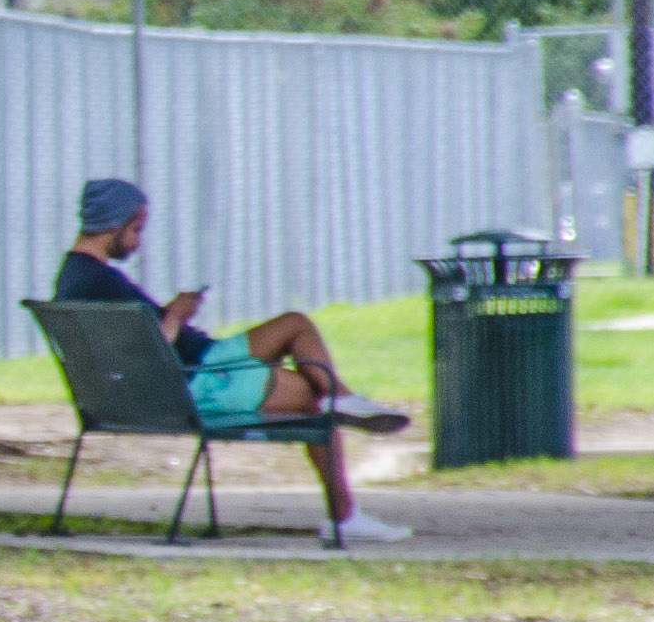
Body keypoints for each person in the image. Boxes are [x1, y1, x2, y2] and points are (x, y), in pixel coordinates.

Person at [54, 176, 411, 547]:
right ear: (114, 223)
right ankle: (343, 509)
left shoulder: (79, 276)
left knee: (295, 326)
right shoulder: (97, 283)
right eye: (135, 229)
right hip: (198, 381)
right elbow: (146, 356)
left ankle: (339, 402)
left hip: (201, 361)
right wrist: (176, 314)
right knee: (311, 396)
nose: (138, 240)